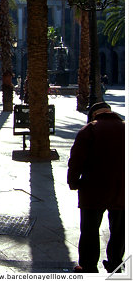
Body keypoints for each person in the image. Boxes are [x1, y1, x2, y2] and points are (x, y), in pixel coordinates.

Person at [67, 102, 125, 273]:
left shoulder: (89, 130)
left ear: (93, 115)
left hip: (93, 189)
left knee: (90, 229)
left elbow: (76, 160)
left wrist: (73, 181)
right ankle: (115, 262)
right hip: (122, 189)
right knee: (120, 229)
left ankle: (88, 265)